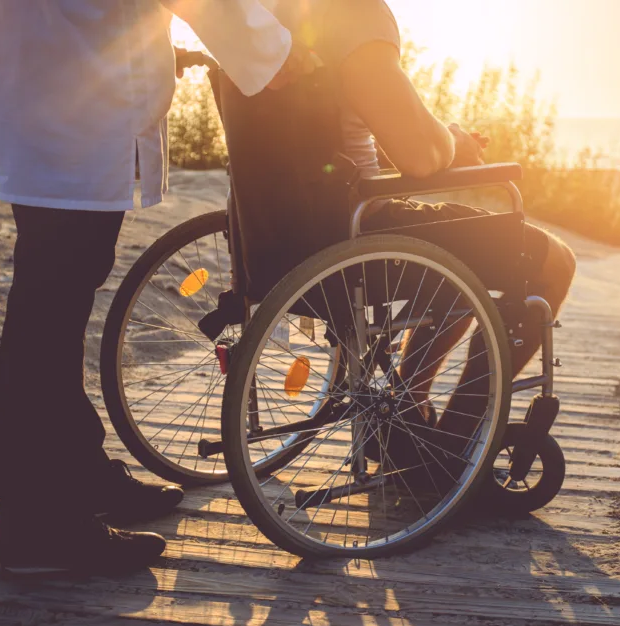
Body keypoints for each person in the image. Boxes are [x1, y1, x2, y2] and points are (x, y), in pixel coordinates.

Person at [0, 0, 313, 577]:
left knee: (56, 294)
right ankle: (38, 526)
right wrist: (271, 52)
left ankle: (73, 475)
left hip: (42, 82)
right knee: (50, 304)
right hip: (69, 96)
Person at [222, 0, 577, 471]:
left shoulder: (257, 16)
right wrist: (455, 143)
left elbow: (315, 148)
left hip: (273, 240)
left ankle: (407, 411)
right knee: (555, 263)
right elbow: (420, 155)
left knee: (452, 250)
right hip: (353, 235)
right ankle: (451, 448)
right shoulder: (354, 16)